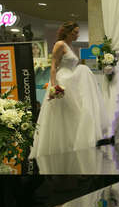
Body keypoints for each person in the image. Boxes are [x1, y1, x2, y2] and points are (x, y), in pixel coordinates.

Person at [29, 22, 110, 159]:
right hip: (63, 80)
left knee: (75, 113)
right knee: (65, 113)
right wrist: (54, 86)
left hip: (72, 81)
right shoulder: (60, 44)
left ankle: (73, 146)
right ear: (67, 32)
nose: (77, 35)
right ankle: (63, 148)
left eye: (77, 32)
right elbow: (53, 66)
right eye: (74, 32)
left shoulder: (69, 46)